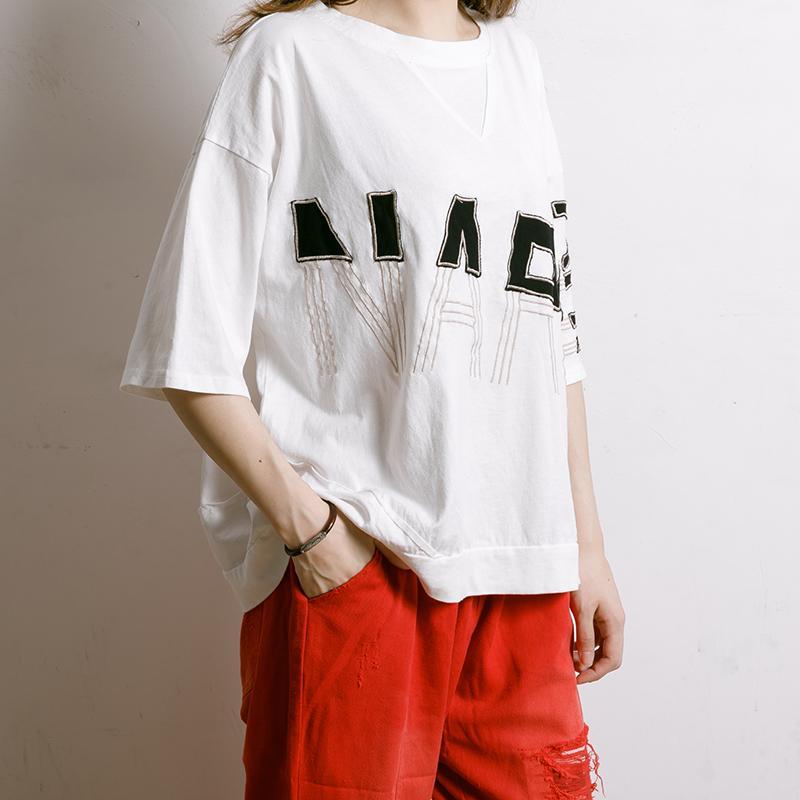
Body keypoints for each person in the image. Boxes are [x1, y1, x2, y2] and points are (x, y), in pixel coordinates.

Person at [119, 0, 625, 796]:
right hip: (362, 566)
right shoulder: (291, 58)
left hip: (522, 574)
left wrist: (584, 549)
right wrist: (313, 533)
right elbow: (186, 344)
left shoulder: (515, 62)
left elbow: (549, 332)